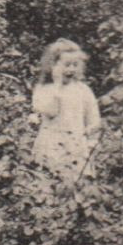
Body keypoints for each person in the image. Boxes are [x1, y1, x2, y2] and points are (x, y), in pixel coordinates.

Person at [30, 39, 103, 182]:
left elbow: (94, 121)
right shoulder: (44, 89)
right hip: (50, 147)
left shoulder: (83, 90)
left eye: (75, 65)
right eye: (66, 65)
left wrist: (88, 140)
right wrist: (57, 86)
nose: (71, 69)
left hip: (76, 147)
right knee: (48, 186)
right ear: (53, 65)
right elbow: (50, 112)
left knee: (75, 190)